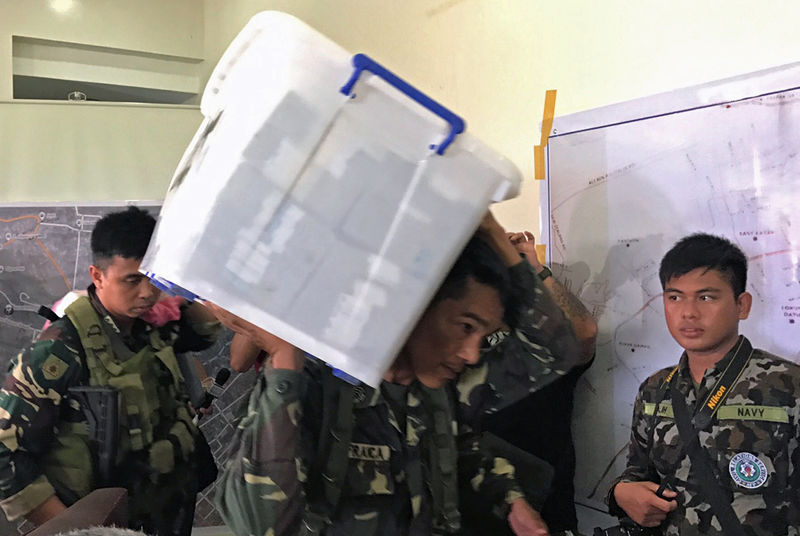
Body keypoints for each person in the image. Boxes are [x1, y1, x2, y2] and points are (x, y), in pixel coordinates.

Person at [212, 231, 559, 536]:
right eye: (466, 325)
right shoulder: (314, 381)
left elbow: (459, 446)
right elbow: (260, 524)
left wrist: (510, 500)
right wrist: (284, 357)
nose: (470, 353)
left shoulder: (435, 381)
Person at [0, 206, 221, 535]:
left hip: (165, 510)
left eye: (153, 276)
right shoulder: (60, 349)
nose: (147, 292)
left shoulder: (149, 326)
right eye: (132, 279)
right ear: (97, 275)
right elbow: (6, 455)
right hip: (102, 524)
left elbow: (207, 332)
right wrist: (83, 528)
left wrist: (179, 289)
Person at [607, 233, 800, 535]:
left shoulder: (789, 386)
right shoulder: (654, 390)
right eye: (674, 297)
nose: (688, 312)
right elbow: (638, 476)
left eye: (706, 297)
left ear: (742, 305)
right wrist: (620, 494)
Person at [455, 228, 597, 536]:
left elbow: (584, 334)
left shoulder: (541, 345)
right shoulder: (451, 352)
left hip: (546, 515)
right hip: (472, 517)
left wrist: (534, 269)